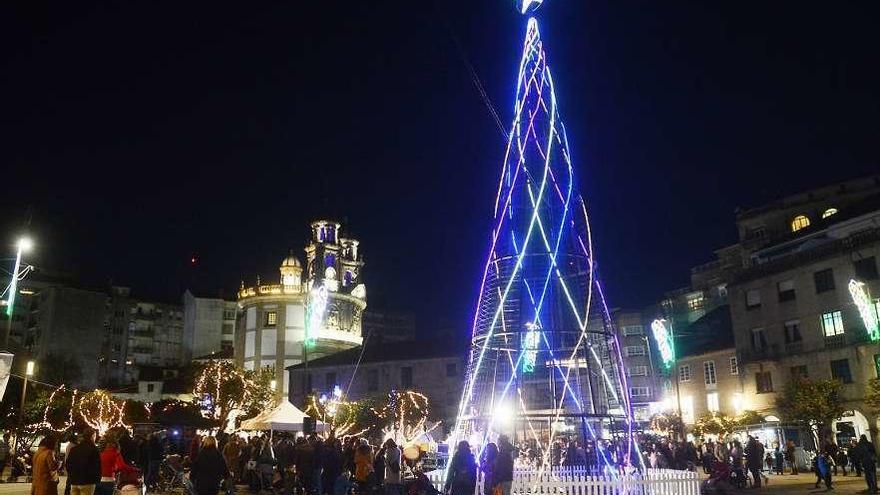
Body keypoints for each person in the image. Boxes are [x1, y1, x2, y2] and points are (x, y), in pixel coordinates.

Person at [66, 429, 101, 495]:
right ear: (92, 436)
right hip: (87, 482)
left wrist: (71, 476)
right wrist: (96, 479)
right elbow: (97, 466)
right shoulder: (94, 449)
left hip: (74, 481)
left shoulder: (74, 449)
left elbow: (68, 464)